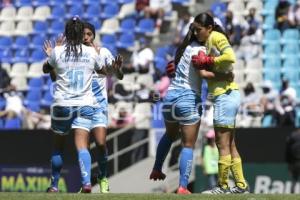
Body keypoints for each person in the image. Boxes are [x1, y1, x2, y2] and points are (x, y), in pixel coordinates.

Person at [190, 12, 249, 194]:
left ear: (208, 28)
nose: (196, 33)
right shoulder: (208, 42)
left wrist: (209, 60)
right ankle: (241, 186)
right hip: (227, 94)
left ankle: (222, 187)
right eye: (194, 29)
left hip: (225, 95)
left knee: (222, 144)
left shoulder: (215, 37)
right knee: (230, 145)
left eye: (198, 29)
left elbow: (230, 56)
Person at [44, 17, 104, 193]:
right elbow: (102, 71)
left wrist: (51, 55)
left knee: (58, 147)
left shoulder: (57, 51)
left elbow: (46, 69)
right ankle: (86, 183)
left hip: (62, 104)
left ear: (66, 33)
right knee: (82, 146)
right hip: (85, 104)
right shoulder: (92, 53)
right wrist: (96, 54)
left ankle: (54, 186)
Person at [285, 129, 300, 193]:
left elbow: (287, 152)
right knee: (294, 178)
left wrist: (288, 162)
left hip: (293, 162)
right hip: (294, 162)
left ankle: (292, 192)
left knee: (294, 179)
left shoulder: (291, 137)